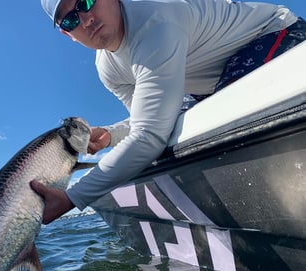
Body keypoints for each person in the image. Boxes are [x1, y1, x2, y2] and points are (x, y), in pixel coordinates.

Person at [32, 0, 305, 224]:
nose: (85, 19)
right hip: (208, 87)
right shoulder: (108, 69)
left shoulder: (154, 21)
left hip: (273, 35)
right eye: (70, 20)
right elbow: (152, 118)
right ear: (68, 35)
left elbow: (150, 134)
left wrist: (72, 197)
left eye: (86, 1)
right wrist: (112, 135)